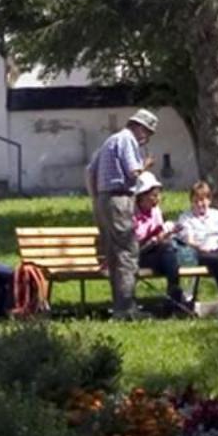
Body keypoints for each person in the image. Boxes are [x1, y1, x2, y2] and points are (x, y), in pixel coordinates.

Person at [86, 107, 159, 318]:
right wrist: (146, 165)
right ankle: (127, 308)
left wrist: (97, 199)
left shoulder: (110, 140)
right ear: (139, 127)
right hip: (119, 198)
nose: (147, 138)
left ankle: (119, 307)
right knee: (127, 253)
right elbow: (133, 171)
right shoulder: (128, 140)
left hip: (102, 199)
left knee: (113, 255)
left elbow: (90, 171)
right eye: (148, 132)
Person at [130, 171, 192, 313]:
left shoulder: (156, 211)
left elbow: (159, 234)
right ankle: (175, 297)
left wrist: (167, 233)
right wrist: (153, 239)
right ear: (141, 196)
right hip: (137, 255)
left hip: (156, 251)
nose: (156, 199)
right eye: (153, 195)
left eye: (158, 195)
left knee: (168, 251)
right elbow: (132, 243)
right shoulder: (131, 214)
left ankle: (173, 297)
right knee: (168, 254)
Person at [174, 178, 218, 305]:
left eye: (202, 200)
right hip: (198, 252)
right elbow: (189, 241)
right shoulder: (186, 218)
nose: (200, 204)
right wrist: (201, 248)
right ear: (191, 202)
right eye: (196, 201)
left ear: (209, 200)